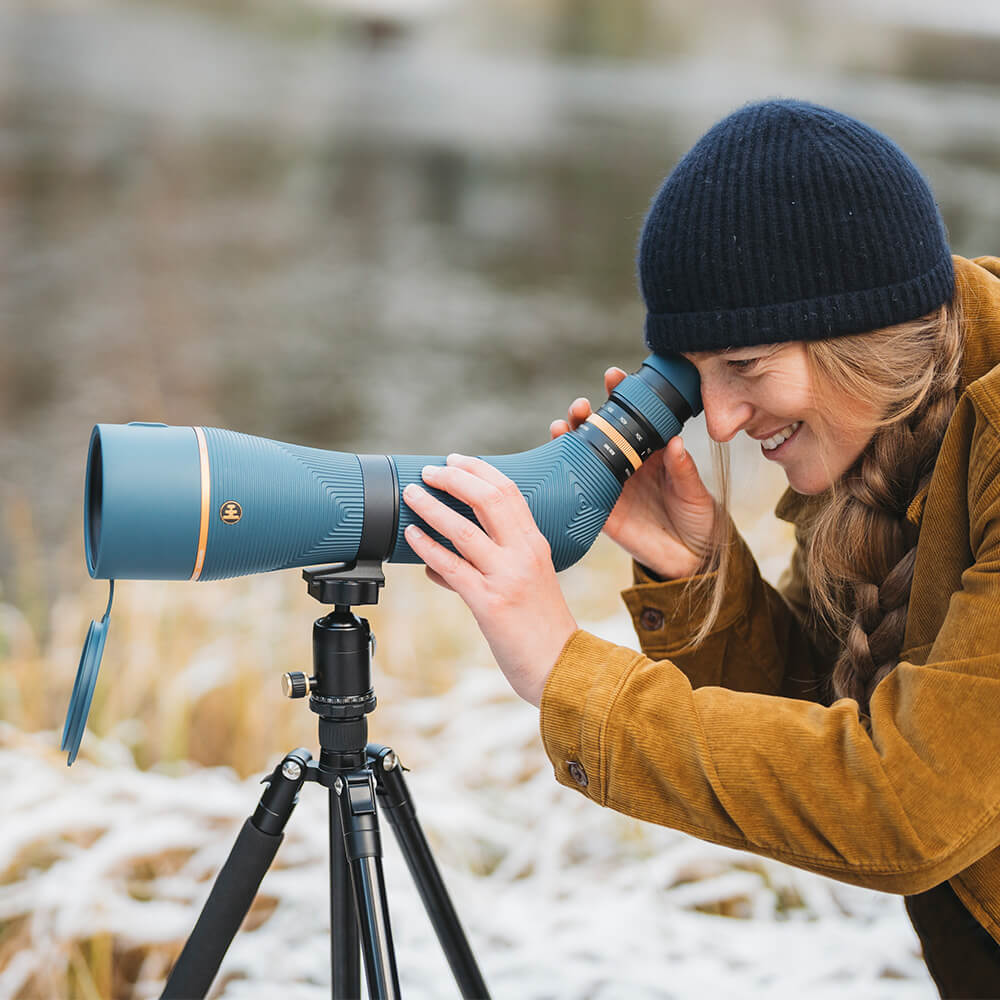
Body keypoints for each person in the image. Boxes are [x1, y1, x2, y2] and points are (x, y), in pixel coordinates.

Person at [399, 98, 1000, 996]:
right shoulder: (889, 424)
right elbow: (818, 716)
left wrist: (566, 670)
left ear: (858, 339)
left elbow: (910, 801)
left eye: (746, 368)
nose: (717, 419)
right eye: (694, 376)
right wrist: (700, 574)